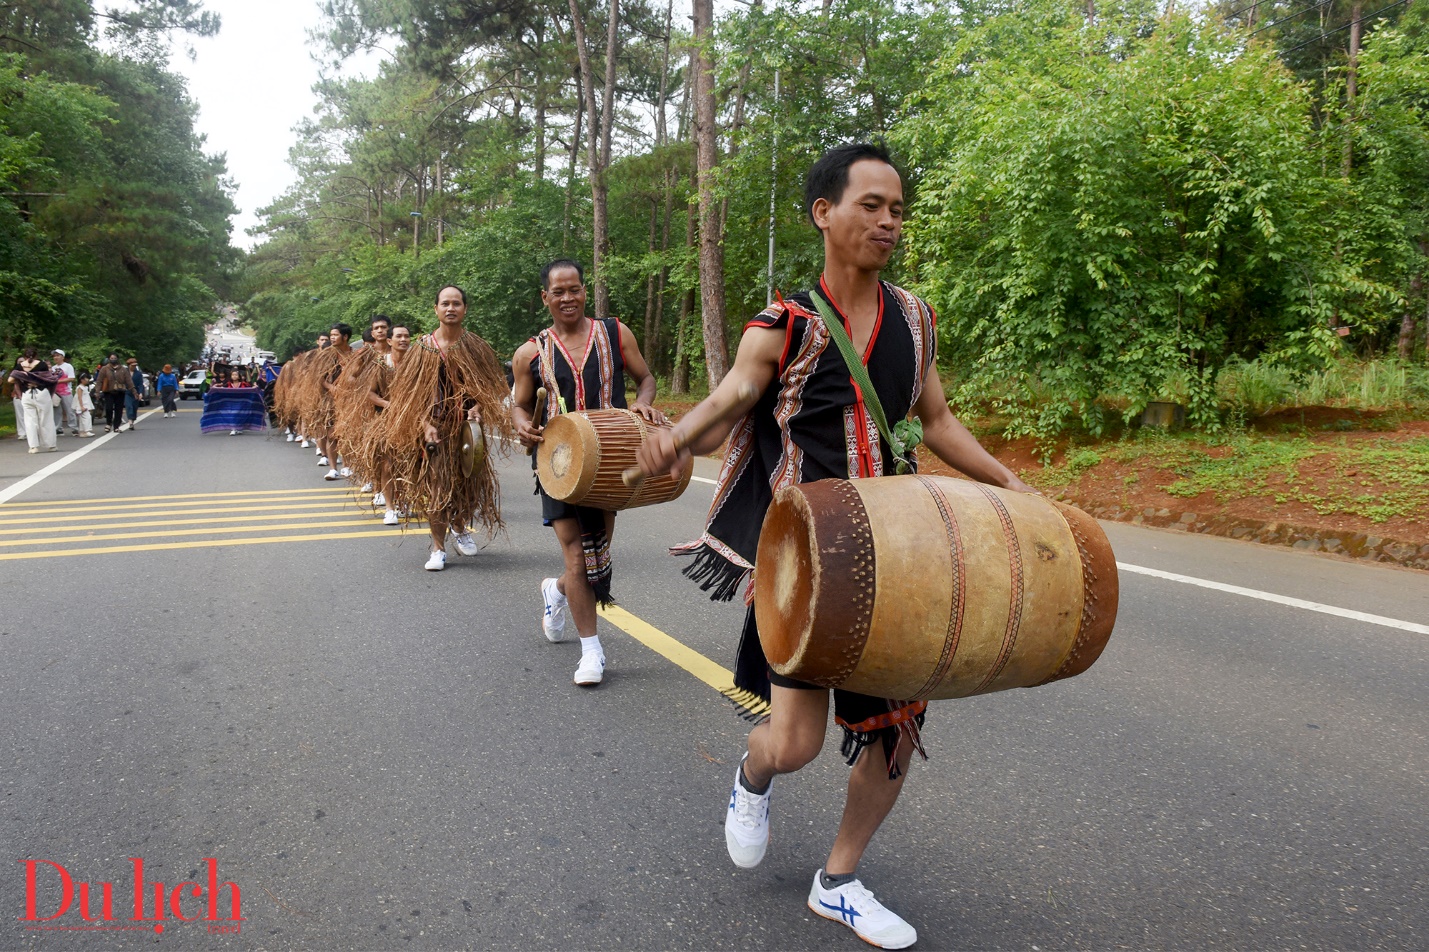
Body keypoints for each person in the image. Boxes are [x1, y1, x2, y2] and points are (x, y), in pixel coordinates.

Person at [635, 143, 1036, 950]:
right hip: (805, 565)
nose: (888, 221)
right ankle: (752, 777)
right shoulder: (782, 325)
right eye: (870, 206)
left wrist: (1008, 486)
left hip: (905, 555)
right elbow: (734, 395)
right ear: (824, 213)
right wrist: (677, 437)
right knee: (796, 742)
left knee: (894, 732)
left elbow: (939, 420)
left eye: (896, 209)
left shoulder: (915, 318)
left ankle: (839, 880)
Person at [512, 259, 664, 687]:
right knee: (578, 555)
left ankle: (556, 591)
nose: (567, 298)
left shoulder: (616, 334)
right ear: (545, 298)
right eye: (558, 292)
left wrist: (642, 403)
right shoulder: (531, 352)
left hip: (609, 462)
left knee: (596, 554)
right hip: (558, 464)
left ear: (584, 291)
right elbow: (520, 404)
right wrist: (521, 424)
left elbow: (646, 378)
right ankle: (591, 651)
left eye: (574, 289)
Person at [380, 286, 513, 571]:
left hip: (468, 430)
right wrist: (425, 424)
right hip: (435, 430)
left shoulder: (475, 346)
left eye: (456, 303)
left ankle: (459, 525)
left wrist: (479, 407)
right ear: (436, 309)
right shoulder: (422, 348)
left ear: (465, 309)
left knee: (468, 489)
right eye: (445, 304)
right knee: (438, 489)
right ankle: (438, 548)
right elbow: (407, 399)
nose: (450, 308)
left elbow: (493, 389)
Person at [9, 347, 58, 454]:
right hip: (42, 393)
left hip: (27, 394)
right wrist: (35, 378)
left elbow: (11, 379)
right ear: (36, 355)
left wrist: (25, 377)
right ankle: (51, 445)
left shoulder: (19, 366)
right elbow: (49, 379)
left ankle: (33, 447)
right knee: (46, 419)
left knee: (29, 420)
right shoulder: (42, 365)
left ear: (25, 356)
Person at [95, 354, 135, 434]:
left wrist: (134, 391)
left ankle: (116, 426)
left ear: (117, 359)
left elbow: (129, 381)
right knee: (109, 408)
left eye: (114, 358)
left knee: (119, 410)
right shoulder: (105, 369)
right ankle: (108, 423)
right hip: (109, 392)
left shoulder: (123, 369)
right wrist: (97, 391)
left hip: (120, 392)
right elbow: (99, 380)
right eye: (111, 358)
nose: (113, 359)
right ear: (109, 359)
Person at [51, 350, 77, 436]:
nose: (56, 357)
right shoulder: (53, 368)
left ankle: (74, 428)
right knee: (57, 411)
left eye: (58, 355)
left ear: (62, 357)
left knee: (70, 410)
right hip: (55, 392)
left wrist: (58, 381)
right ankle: (58, 428)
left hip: (66, 391)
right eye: (54, 356)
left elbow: (71, 378)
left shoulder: (68, 366)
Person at [123, 357, 145, 430]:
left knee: (134, 407)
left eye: (135, 365)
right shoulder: (125, 372)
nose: (134, 367)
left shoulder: (138, 374)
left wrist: (141, 393)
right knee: (129, 406)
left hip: (136, 392)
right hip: (127, 392)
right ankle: (130, 422)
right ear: (129, 365)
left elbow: (141, 384)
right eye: (132, 365)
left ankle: (132, 419)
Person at [74, 373, 96, 437]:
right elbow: (79, 397)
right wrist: (81, 406)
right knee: (87, 417)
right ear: (81, 380)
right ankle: (86, 430)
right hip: (83, 405)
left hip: (86, 404)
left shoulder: (85, 387)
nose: (87, 380)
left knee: (83, 418)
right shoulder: (80, 388)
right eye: (86, 378)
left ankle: (82, 431)